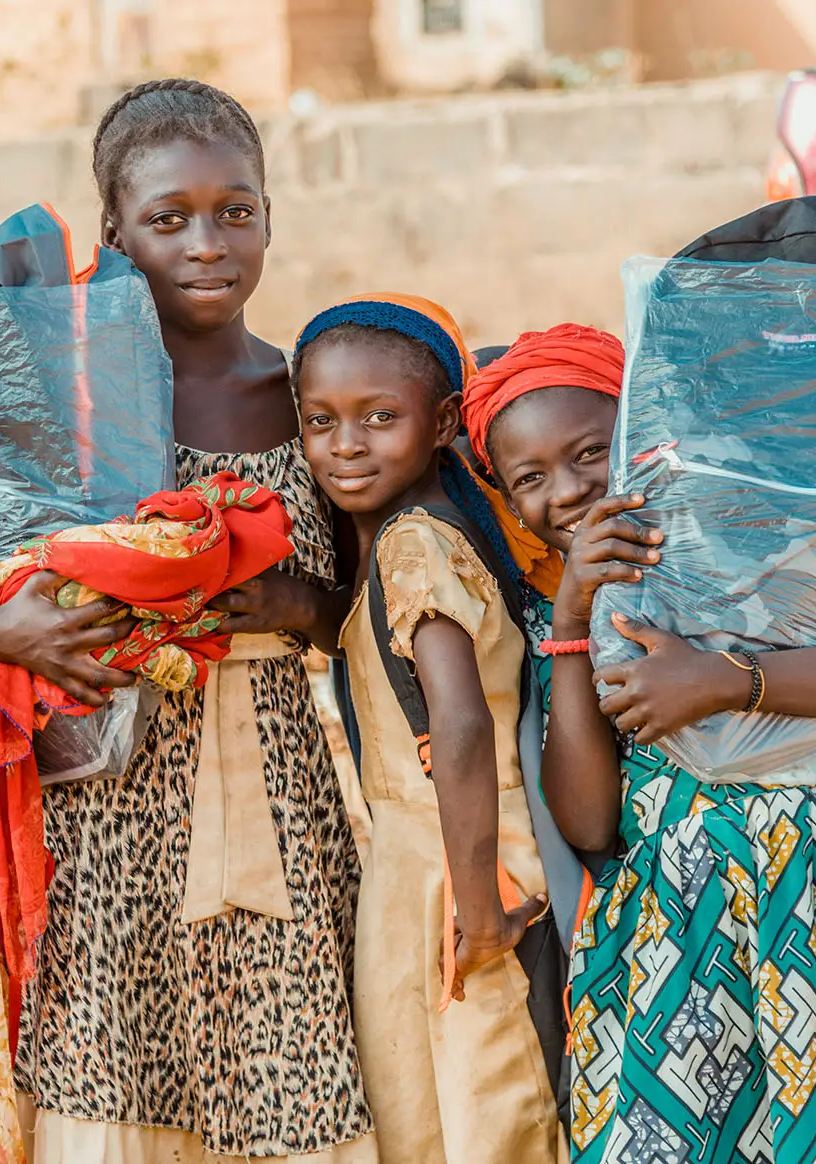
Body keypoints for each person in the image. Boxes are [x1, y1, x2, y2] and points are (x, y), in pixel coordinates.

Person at [0, 80, 374, 1162]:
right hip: (100, 803)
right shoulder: (64, 399)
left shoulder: (313, 394)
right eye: (167, 218)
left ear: (268, 216)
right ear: (114, 229)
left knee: (289, 1058)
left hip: (276, 800)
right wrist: (14, 640)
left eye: (234, 211)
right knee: (110, 1054)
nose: (206, 242)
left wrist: (305, 607)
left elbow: (374, 610)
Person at [465, 324, 816, 1163]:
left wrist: (729, 679)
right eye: (529, 477)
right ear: (502, 493)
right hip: (673, 925)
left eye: (590, 452)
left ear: (644, 439)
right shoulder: (542, 615)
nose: (569, 491)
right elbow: (587, 823)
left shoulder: (760, 549)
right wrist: (574, 623)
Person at [293, 295, 563, 1164]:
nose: (346, 445)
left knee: (491, 1104)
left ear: (445, 420)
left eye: (379, 418)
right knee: (435, 1100)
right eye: (321, 422)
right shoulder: (412, 535)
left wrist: (479, 904)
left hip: (462, 860)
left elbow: (458, 722)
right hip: (427, 857)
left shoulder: (414, 544)